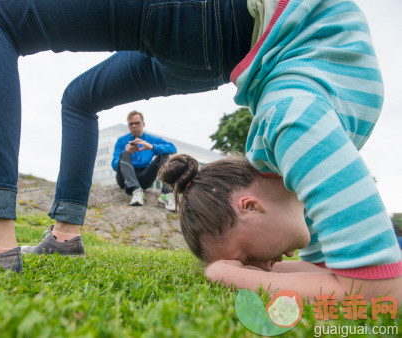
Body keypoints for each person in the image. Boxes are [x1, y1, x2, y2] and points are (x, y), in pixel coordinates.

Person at [0, 0, 254, 270]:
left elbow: (170, 152)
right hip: (225, 55)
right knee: (79, 99)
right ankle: (65, 237)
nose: (134, 130)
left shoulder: (154, 140)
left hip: (210, 12)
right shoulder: (122, 144)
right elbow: (116, 161)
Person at [156, 0, 402, 302]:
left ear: (250, 206)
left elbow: (381, 292)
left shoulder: (293, 128)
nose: (264, 267)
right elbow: (321, 270)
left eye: (247, 257)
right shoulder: (292, 188)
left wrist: (231, 276)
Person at [112, 111, 176, 210]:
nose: (134, 126)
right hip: (126, 179)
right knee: (124, 153)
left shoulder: (150, 139)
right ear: (128, 126)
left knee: (164, 154)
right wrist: (128, 153)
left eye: (137, 123)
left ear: (143, 124)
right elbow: (114, 166)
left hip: (145, 177)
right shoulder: (121, 141)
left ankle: (166, 194)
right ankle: (136, 191)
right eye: (131, 124)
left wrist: (152, 147)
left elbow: (172, 148)